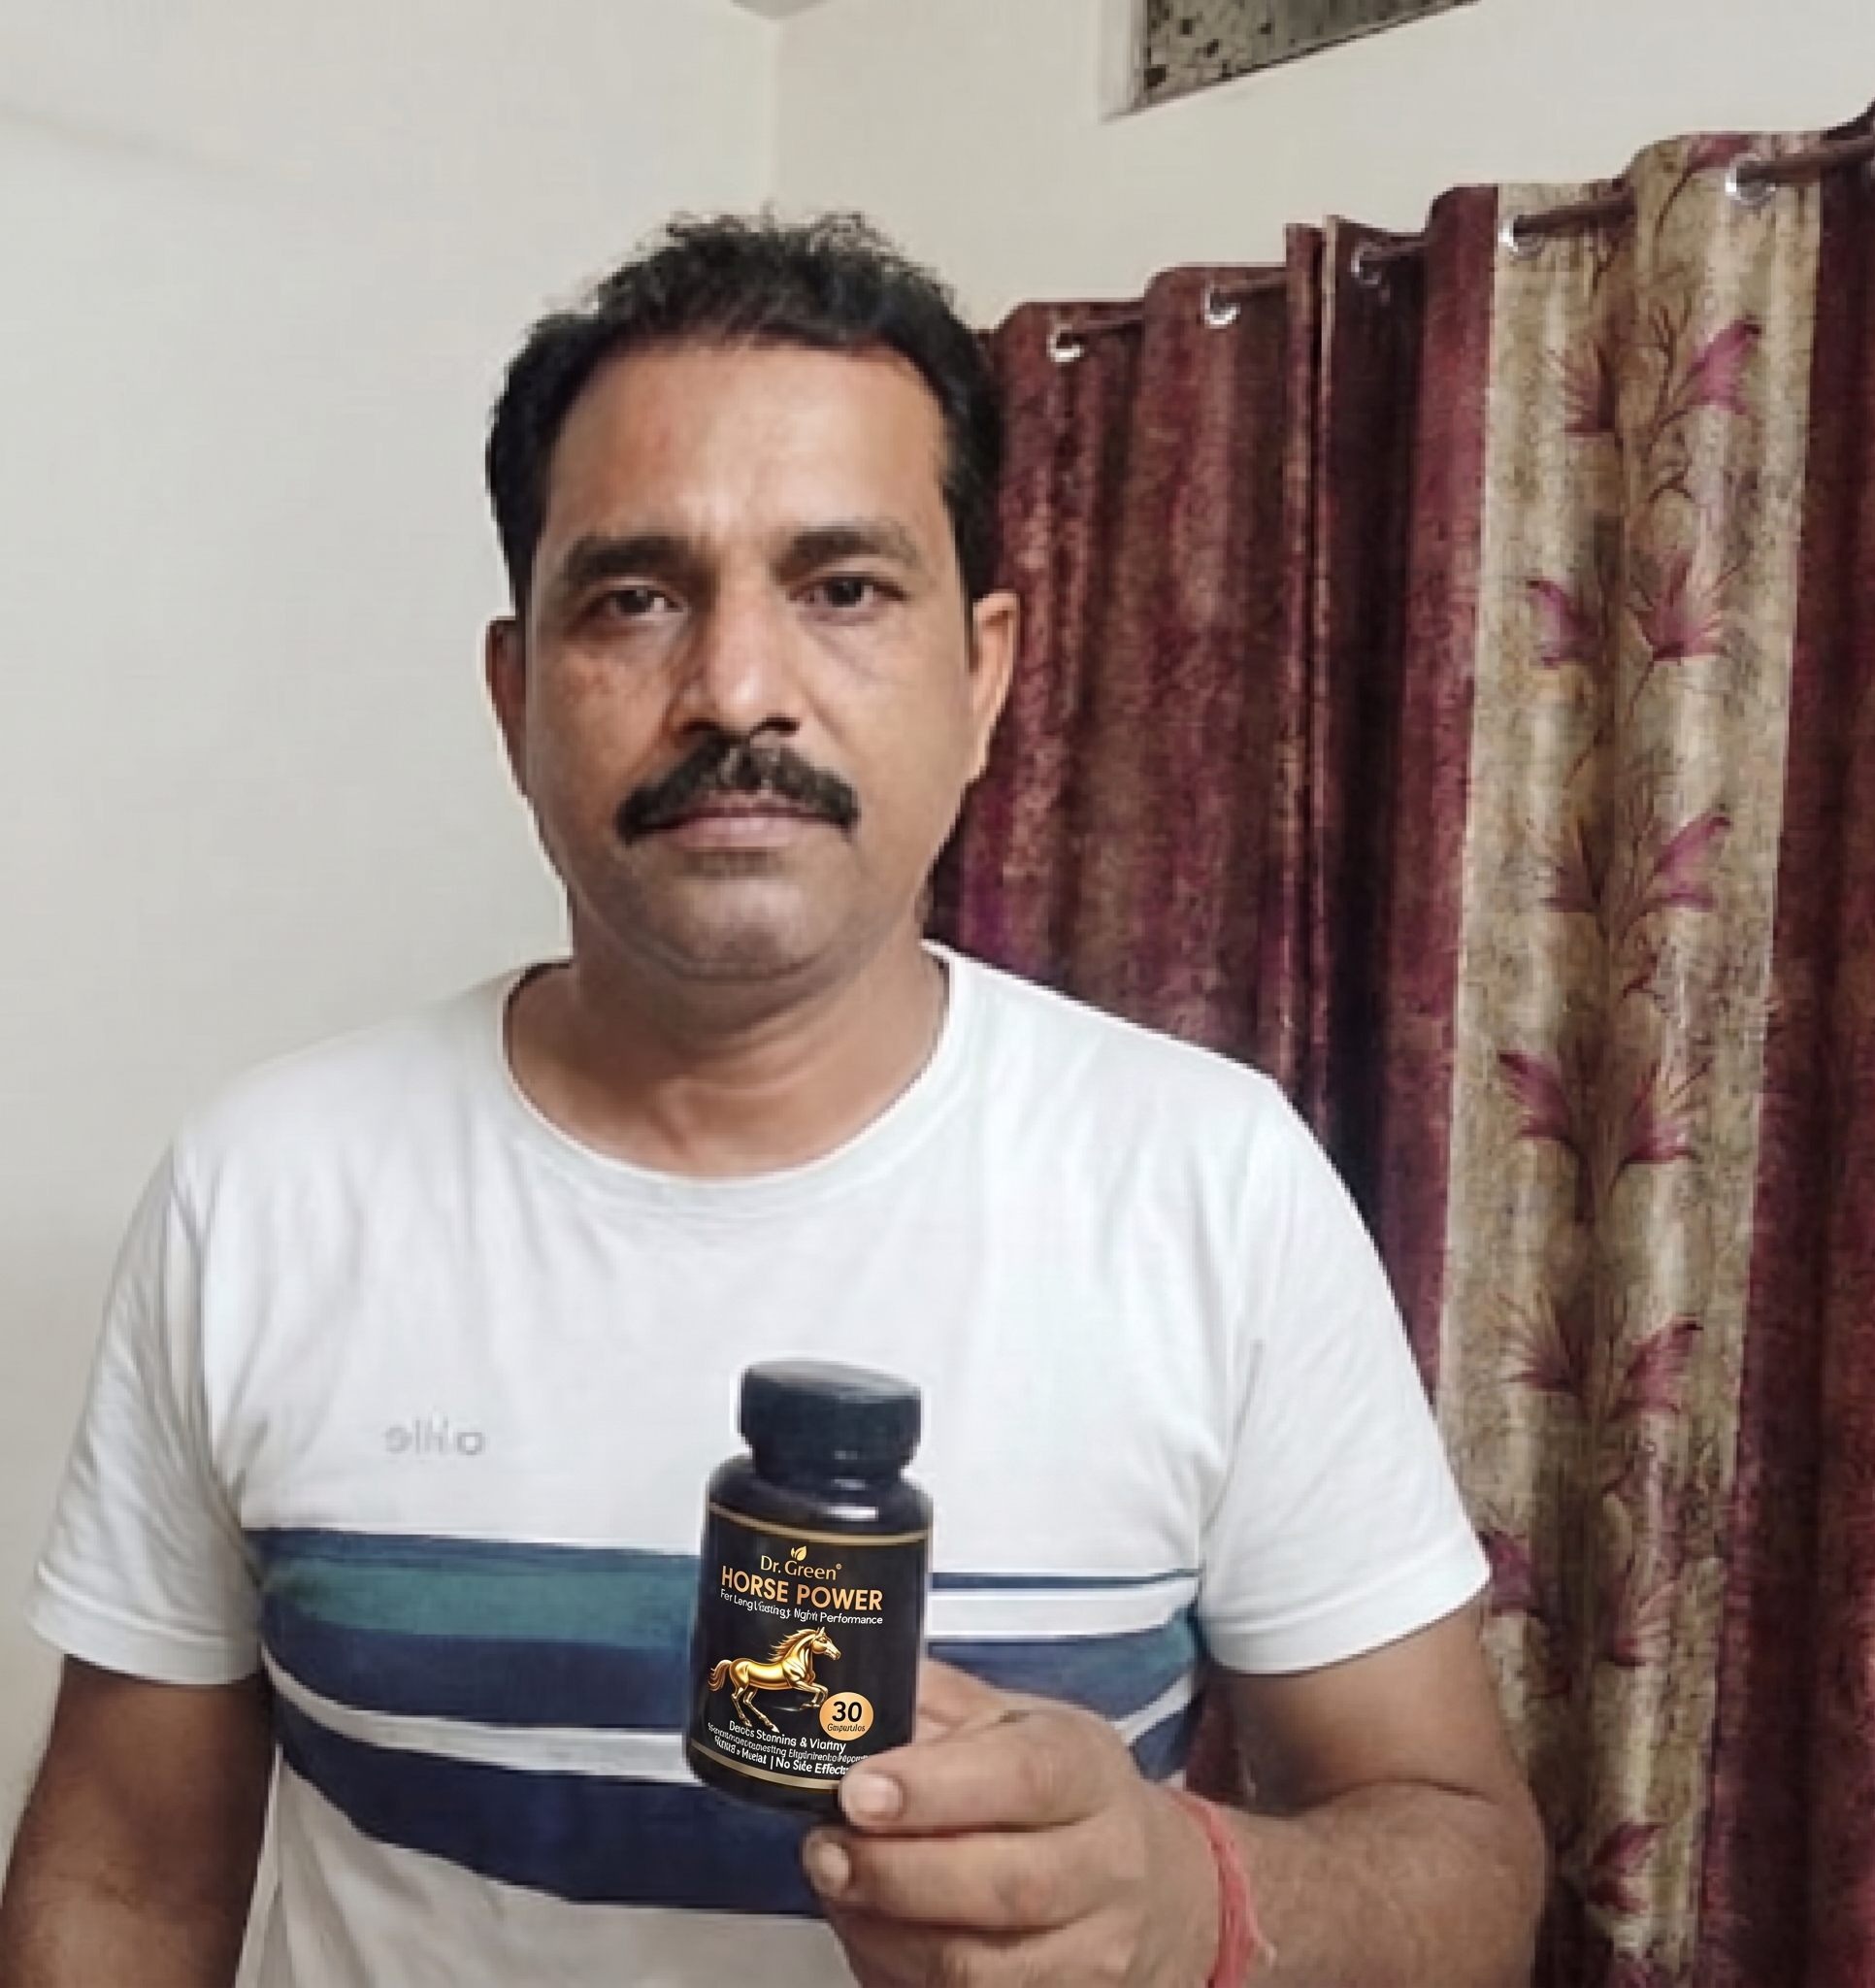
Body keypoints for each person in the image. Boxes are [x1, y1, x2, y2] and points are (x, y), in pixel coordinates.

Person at [0, 215, 1544, 1987]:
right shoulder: (264, 1192)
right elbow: (126, 1886)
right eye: (635, 596)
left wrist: (1193, 1899)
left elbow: (1466, 1869)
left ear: (984, 678)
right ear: (515, 697)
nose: (737, 689)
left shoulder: (1211, 1185)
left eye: (844, 589)